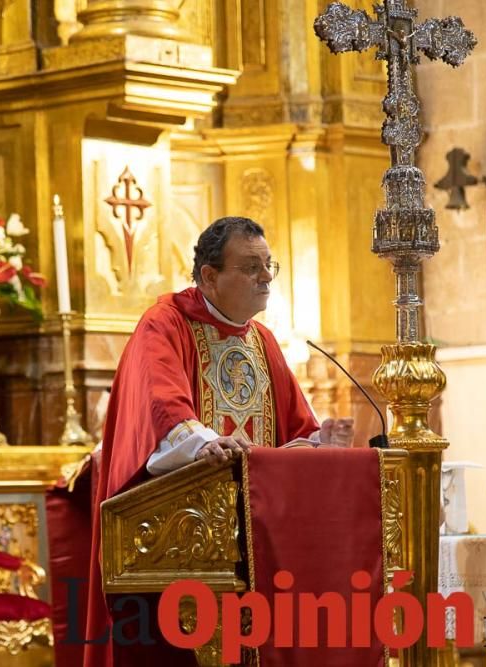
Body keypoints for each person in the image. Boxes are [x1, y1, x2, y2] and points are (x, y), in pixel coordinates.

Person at [83, 216, 354, 667]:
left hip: (258, 539)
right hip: (178, 537)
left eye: (270, 265)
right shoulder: (164, 324)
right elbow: (161, 404)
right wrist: (203, 444)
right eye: (251, 266)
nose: (266, 276)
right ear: (209, 276)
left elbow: (293, 431)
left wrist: (319, 443)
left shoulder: (262, 340)